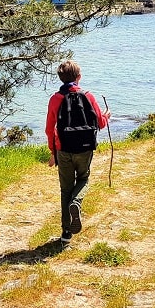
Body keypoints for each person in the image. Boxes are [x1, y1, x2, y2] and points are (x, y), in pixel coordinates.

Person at [45, 60, 110, 244]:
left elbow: (50, 129)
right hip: (85, 148)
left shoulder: (55, 99)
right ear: (79, 78)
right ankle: (77, 203)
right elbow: (100, 123)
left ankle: (66, 233)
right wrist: (106, 115)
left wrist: (53, 151)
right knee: (83, 179)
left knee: (65, 189)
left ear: (60, 77)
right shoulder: (88, 96)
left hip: (64, 149)